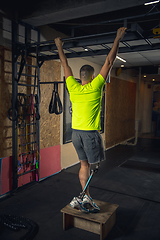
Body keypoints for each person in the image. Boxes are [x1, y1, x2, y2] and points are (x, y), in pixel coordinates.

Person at [55, 27, 127, 213]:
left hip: (75, 134)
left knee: (84, 165)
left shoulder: (72, 86)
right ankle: (83, 197)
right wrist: (117, 38)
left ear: (80, 77)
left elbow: (65, 64)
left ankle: (85, 195)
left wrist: (59, 46)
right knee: (95, 167)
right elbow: (110, 61)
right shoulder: (96, 87)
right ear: (92, 77)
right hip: (88, 135)